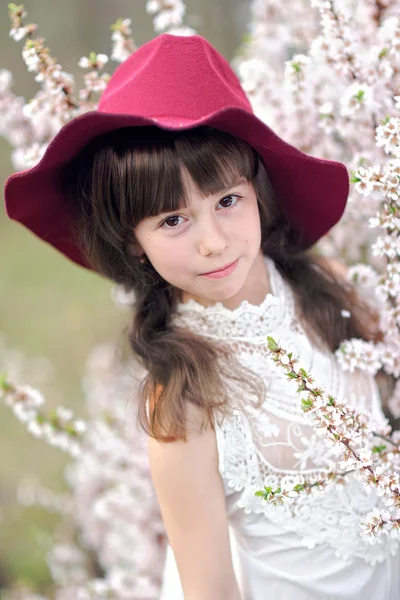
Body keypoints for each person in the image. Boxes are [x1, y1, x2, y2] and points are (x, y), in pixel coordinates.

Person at [4, 33, 398, 600]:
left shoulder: (325, 289)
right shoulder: (183, 401)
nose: (212, 242)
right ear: (133, 242)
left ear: (257, 193)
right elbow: (210, 588)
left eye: (227, 202)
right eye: (172, 220)